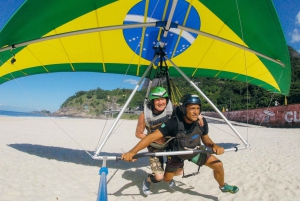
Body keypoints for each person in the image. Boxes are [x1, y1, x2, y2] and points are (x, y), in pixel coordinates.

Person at [122, 94, 239, 194]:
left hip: (195, 151)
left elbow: (206, 138)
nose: (196, 112)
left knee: (218, 165)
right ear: (183, 109)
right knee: (166, 179)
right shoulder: (172, 123)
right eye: (192, 108)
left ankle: (223, 186)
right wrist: (133, 152)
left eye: (198, 108)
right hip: (177, 154)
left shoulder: (201, 122)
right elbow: (151, 137)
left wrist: (214, 145)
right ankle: (154, 179)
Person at [136, 87, 204, 195]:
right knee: (159, 177)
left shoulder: (173, 110)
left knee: (179, 171)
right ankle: (148, 181)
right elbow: (138, 133)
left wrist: (199, 116)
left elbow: (188, 111)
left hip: (171, 145)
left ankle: (169, 176)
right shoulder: (145, 115)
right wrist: (153, 138)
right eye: (157, 99)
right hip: (155, 146)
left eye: (163, 99)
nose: (161, 102)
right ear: (152, 101)